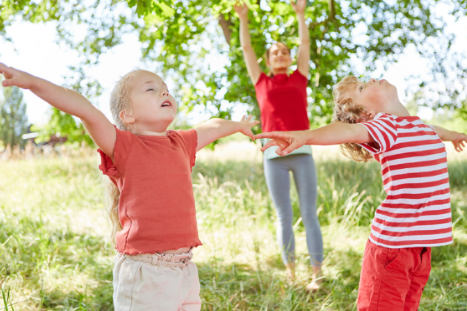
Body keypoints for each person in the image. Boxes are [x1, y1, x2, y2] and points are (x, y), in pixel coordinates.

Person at [0, 63, 259, 311]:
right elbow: (83, 108)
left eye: (165, 88)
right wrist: (32, 82)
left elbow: (213, 125)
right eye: (151, 89)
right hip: (146, 273)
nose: (164, 91)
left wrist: (239, 126)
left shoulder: (181, 142)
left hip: (185, 270)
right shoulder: (124, 146)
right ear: (128, 115)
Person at [255, 76, 467, 310]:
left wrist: (455, 135)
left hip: (420, 249)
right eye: (362, 87)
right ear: (365, 113)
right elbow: (345, 131)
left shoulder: (421, 127)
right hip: (392, 249)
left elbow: (439, 131)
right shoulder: (385, 127)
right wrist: (306, 136)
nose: (373, 79)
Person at [233, 0, 324, 290]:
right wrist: (243, 18)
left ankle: (316, 274)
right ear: (268, 60)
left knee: (309, 213)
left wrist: (301, 14)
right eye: (275, 53)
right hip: (273, 155)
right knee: (284, 215)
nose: (282, 55)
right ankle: (292, 273)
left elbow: (305, 43)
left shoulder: (300, 78)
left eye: (285, 51)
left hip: (302, 153)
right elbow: (246, 49)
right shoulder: (261, 82)